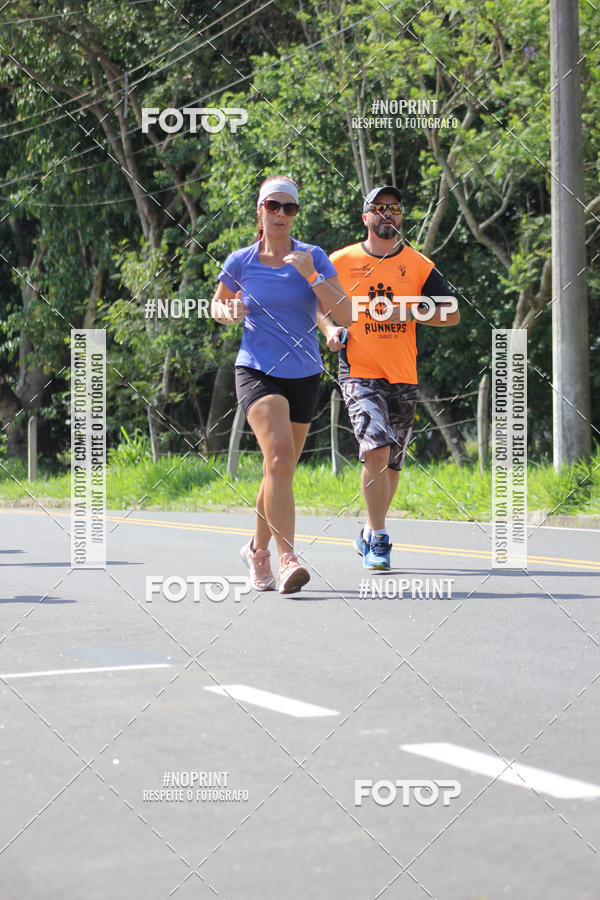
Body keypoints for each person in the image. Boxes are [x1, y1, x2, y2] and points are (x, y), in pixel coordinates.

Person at [211, 176, 352, 594]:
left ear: (295, 215)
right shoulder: (241, 261)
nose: (280, 214)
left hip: (305, 373)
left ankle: (257, 551)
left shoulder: (313, 256)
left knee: (281, 470)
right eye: (273, 206)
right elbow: (218, 304)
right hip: (256, 370)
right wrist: (229, 311)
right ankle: (287, 557)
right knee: (278, 461)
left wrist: (313, 276)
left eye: (288, 208)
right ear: (260, 210)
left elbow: (344, 312)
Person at [322, 185, 460, 570]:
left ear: (400, 217)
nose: (387, 214)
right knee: (376, 447)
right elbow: (314, 300)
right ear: (365, 217)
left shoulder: (419, 265)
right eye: (379, 208)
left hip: (403, 375)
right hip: (359, 372)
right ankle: (381, 538)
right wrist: (330, 330)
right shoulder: (341, 260)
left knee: (393, 464)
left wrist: (413, 311)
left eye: (394, 209)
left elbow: (452, 313)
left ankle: (367, 530)